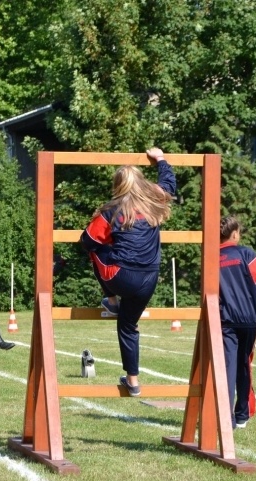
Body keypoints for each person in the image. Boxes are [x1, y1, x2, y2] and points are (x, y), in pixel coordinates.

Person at [80, 148, 177, 397]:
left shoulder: (112, 211)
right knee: (128, 325)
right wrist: (161, 159)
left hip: (121, 276)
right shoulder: (154, 202)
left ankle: (111, 300)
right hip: (150, 278)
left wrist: (110, 239)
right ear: (142, 183)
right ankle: (133, 381)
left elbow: (87, 241)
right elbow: (169, 184)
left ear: (118, 186)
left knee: (95, 251)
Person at [219, 215, 256, 429]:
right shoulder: (246, 253)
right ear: (234, 233)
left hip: (225, 319)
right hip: (249, 318)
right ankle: (242, 414)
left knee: (228, 366)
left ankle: (225, 417)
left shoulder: (211, 257)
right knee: (244, 363)